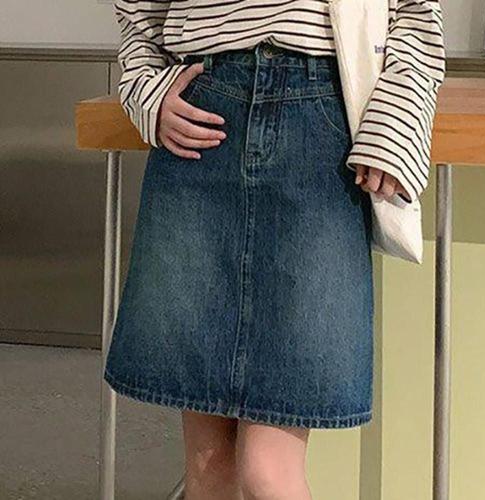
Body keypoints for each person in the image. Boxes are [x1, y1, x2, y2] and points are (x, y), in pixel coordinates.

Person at [103, 1, 445, 499]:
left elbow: (416, 13)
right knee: (208, 462)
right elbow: (139, 14)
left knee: (268, 468)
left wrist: (398, 120)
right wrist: (146, 92)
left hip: (324, 124)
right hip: (203, 111)